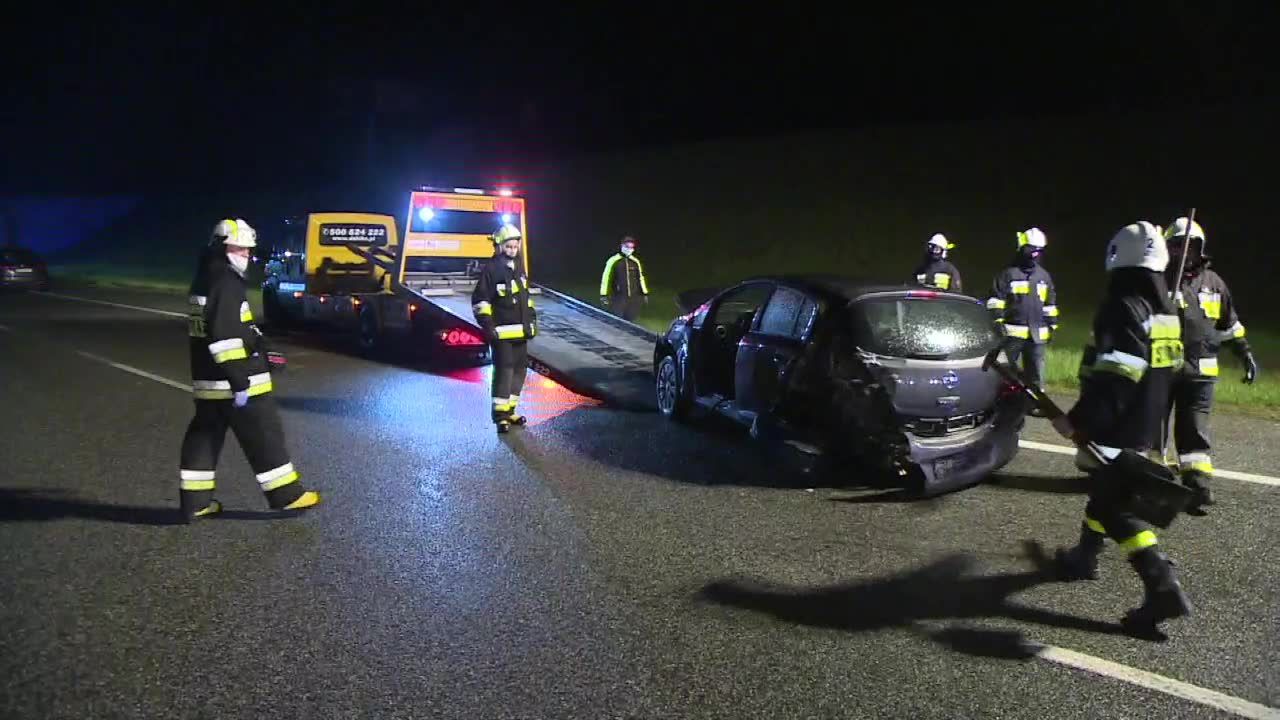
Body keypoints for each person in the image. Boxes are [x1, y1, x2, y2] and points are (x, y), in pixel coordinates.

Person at [1051, 220, 1191, 638]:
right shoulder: (1166, 309)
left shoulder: (1123, 305)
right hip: (1147, 423)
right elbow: (1171, 371)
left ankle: (1161, 582)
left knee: (1116, 509)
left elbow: (1117, 375)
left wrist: (1078, 420)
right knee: (1106, 492)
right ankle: (1083, 559)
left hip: (1117, 422)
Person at [179, 218, 320, 521]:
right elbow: (224, 334)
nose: (245, 255)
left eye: (247, 250)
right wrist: (240, 380)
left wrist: (264, 349)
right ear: (222, 248)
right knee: (265, 436)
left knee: (204, 438)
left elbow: (237, 326)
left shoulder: (205, 277)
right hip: (239, 385)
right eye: (238, 249)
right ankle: (287, 496)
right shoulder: (226, 282)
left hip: (209, 383)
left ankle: (195, 503)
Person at [1162, 216, 1259, 514]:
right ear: (1168, 248)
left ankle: (1197, 484)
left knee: (1195, 431)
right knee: (1152, 429)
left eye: (1190, 246)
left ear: (1200, 249)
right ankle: (1151, 482)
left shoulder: (1214, 284)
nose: (1184, 252)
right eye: (1177, 246)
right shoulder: (1156, 279)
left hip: (1200, 375)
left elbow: (1229, 326)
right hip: (1161, 371)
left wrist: (1244, 354)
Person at [986, 227, 1059, 415]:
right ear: (1022, 249)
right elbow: (995, 301)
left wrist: (1052, 326)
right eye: (1030, 249)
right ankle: (1003, 402)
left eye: (1037, 250)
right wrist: (997, 323)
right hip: (1012, 334)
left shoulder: (1044, 277)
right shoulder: (1008, 275)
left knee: (1035, 373)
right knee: (1006, 372)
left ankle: (1035, 405)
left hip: (1037, 335)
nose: (1034, 254)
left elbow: (1050, 304)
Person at [473, 224, 537, 433]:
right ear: (500, 247)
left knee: (520, 371)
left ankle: (510, 410)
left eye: (515, 246)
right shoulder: (491, 270)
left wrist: (532, 323)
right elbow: (480, 301)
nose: (512, 250)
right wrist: (488, 326)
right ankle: (500, 416)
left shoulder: (519, 269)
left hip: (521, 333)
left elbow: (526, 300)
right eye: (508, 247)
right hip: (501, 334)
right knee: (504, 372)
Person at [599, 236, 649, 321]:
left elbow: (640, 278)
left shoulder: (635, 261)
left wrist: (644, 293)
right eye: (627, 246)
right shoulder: (613, 260)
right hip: (619, 297)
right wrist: (604, 295)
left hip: (634, 298)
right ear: (622, 246)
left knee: (630, 321)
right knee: (617, 321)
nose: (629, 249)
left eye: (631, 247)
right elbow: (606, 278)